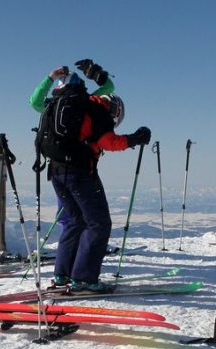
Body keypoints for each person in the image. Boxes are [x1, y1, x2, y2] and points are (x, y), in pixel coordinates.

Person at [32, 65, 148, 293]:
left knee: (75, 221)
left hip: (55, 171)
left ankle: (63, 275)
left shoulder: (57, 104)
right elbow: (108, 142)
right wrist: (135, 138)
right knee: (98, 223)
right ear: (114, 109)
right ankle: (84, 279)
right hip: (79, 173)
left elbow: (34, 101)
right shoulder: (96, 107)